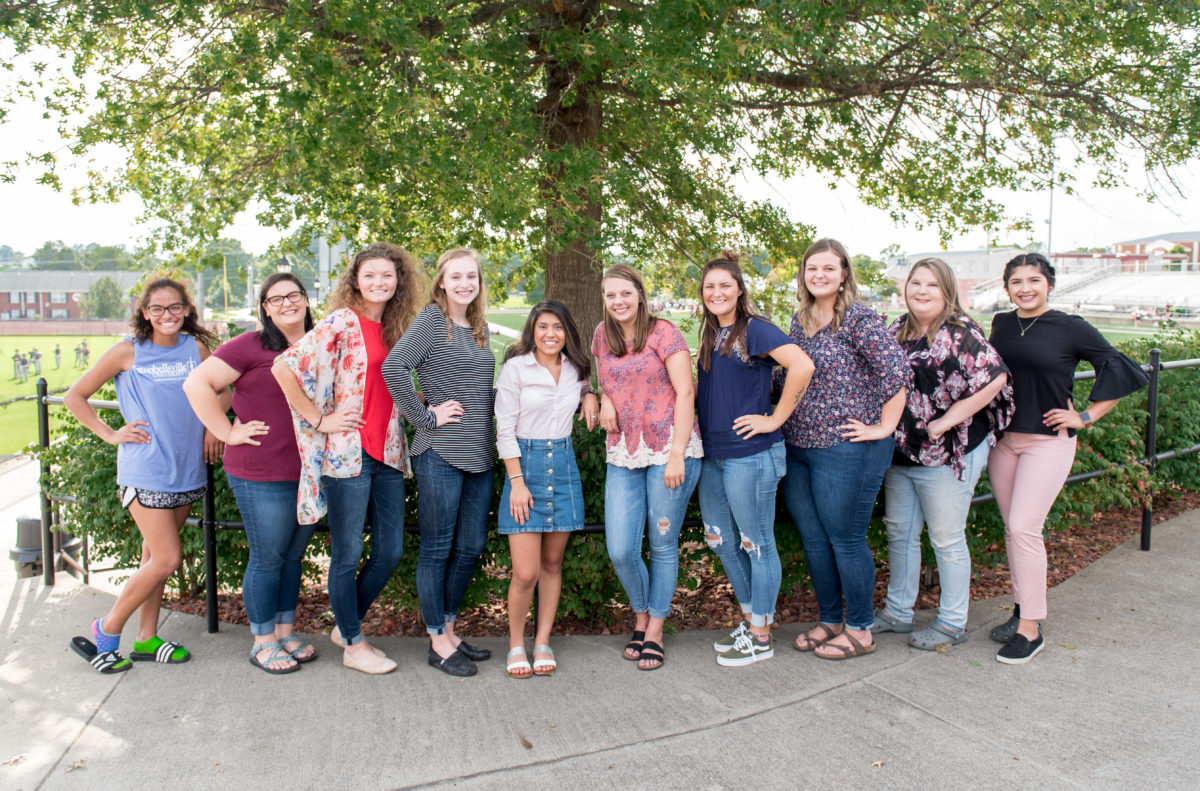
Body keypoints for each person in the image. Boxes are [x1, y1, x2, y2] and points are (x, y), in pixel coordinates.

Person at [987, 252, 1147, 664]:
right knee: (1013, 530)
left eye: (1034, 280)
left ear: (1050, 284)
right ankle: (1022, 610)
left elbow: (1117, 365)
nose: (1025, 288)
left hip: (1048, 442)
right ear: (1007, 288)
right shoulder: (1002, 324)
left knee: (1025, 527)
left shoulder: (1071, 326)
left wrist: (1086, 415)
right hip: (1005, 441)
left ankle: (1030, 630)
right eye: (1017, 281)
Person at [272, 243, 424, 675]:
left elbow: (385, 386)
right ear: (356, 280)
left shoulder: (396, 327)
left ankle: (346, 622)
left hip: (388, 452)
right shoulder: (342, 321)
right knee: (347, 553)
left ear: (400, 282)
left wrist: (426, 401)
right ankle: (354, 645)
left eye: (388, 275)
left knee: (390, 551)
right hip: (347, 455)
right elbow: (284, 368)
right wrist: (320, 420)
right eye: (370, 275)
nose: (379, 282)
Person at [64, 277, 220, 673]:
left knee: (153, 557)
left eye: (174, 308)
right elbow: (74, 396)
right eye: (157, 309)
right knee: (168, 558)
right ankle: (107, 628)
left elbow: (222, 390)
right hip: (146, 470)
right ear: (145, 313)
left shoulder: (195, 348)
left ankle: (147, 638)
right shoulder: (126, 352)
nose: (166, 315)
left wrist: (210, 427)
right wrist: (111, 434)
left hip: (187, 470)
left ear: (186, 310)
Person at [781, 238, 911, 661]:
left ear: (843, 275)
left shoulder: (858, 318)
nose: (818, 275)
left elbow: (897, 371)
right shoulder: (800, 321)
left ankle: (860, 628)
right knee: (815, 540)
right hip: (799, 445)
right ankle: (831, 619)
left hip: (847, 447)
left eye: (828, 269)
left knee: (845, 538)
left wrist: (885, 426)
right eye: (811, 268)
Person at [873, 258, 1014, 650]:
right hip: (903, 451)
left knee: (946, 539)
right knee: (900, 534)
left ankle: (952, 622)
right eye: (916, 283)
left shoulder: (959, 332)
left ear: (947, 291)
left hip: (949, 451)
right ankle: (898, 612)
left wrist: (946, 421)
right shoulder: (896, 330)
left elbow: (996, 377)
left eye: (932, 285)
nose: (921, 291)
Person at [185, 273, 318, 675]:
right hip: (260, 471)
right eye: (275, 299)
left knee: (292, 556)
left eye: (293, 295)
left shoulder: (320, 342)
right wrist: (225, 431)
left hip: (310, 471)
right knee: (268, 557)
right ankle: (262, 640)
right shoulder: (250, 345)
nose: (286, 304)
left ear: (307, 300)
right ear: (264, 308)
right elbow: (197, 384)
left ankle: (284, 630)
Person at [695, 253, 814, 667]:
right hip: (714, 455)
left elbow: (802, 365)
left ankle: (761, 635)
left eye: (725, 285)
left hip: (751, 455)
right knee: (722, 541)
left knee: (756, 544)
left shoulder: (755, 329)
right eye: (710, 287)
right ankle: (750, 621)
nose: (717, 293)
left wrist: (774, 418)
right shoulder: (711, 331)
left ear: (740, 289)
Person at [383, 248, 496, 678]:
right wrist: (426, 416)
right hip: (441, 453)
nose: (465, 283)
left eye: (472, 276)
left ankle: (449, 629)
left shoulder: (478, 328)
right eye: (457, 276)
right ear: (442, 283)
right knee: (437, 548)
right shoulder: (433, 321)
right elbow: (395, 369)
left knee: (471, 547)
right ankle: (436, 640)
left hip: (479, 455)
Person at [592, 263, 703, 671]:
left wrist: (676, 453)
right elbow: (605, 378)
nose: (618, 301)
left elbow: (685, 391)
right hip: (624, 450)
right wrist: (602, 398)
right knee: (621, 548)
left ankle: (653, 629)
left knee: (661, 545)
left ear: (640, 293)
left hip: (669, 452)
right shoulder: (602, 335)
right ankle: (640, 614)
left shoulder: (665, 332)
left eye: (625, 293)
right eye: (610, 295)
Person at [493, 300, 598, 678]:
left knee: (552, 564)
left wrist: (591, 395)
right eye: (543, 327)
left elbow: (587, 387)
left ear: (567, 332)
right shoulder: (515, 369)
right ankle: (516, 645)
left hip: (564, 464)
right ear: (532, 332)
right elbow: (504, 430)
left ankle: (542, 641)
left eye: (557, 327)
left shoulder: (575, 369)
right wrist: (517, 482)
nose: (550, 334)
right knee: (525, 572)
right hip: (526, 466)